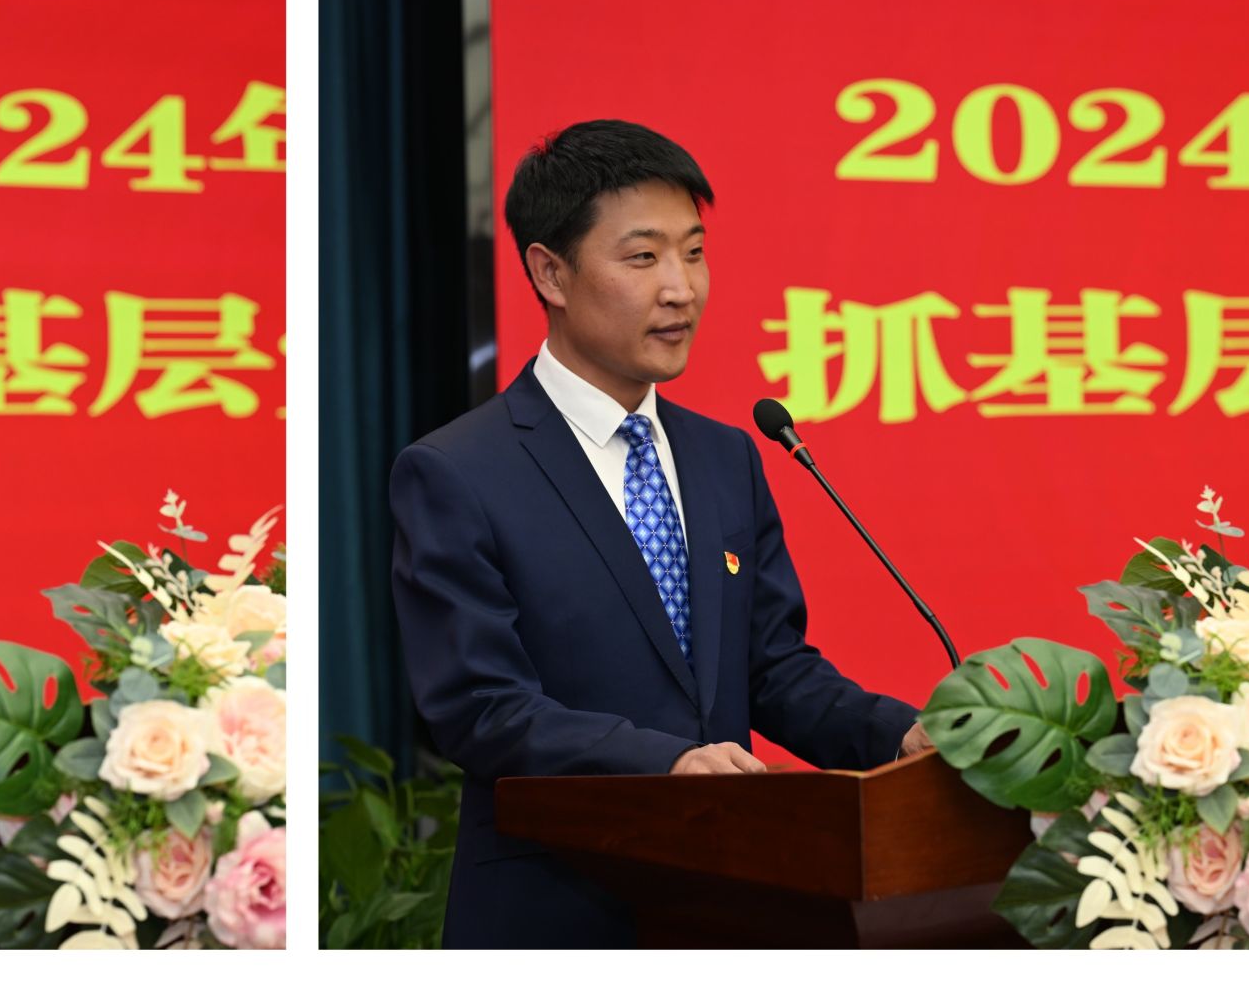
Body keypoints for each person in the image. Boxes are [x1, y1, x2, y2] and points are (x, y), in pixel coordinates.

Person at [390, 120, 932, 948]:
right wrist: (665, 762)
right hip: (557, 910)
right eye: (643, 257)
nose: (681, 289)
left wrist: (901, 735)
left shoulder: (726, 457)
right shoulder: (457, 472)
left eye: (694, 253)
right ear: (550, 272)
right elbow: (481, 708)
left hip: (727, 904)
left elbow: (772, 670)